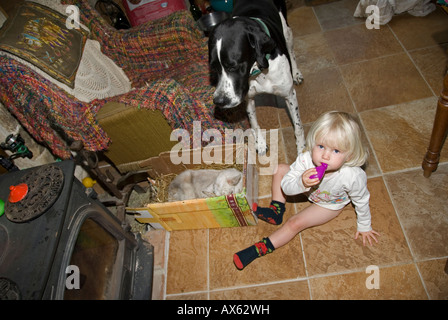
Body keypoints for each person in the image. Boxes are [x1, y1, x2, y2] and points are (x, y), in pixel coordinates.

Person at [233, 111, 380, 270]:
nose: (325, 156)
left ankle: (259, 248)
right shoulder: (306, 159)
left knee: (294, 223)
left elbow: (362, 200)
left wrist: (364, 226)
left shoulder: (352, 176)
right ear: (313, 142)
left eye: (336, 151)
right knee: (280, 169)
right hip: (308, 189)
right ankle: (276, 210)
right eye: (321, 146)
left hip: (328, 204)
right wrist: (302, 182)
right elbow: (287, 188)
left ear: (349, 156)